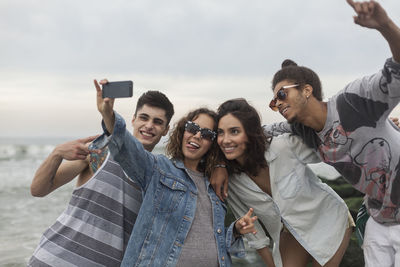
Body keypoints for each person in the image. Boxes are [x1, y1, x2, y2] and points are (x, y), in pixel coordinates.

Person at [265, 1, 400, 266]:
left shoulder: (353, 101)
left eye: (282, 94)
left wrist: (384, 25)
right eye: (273, 101)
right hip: (378, 221)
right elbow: (256, 131)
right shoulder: (305, 133)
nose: (278, 103)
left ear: (306, 90)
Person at [93, 81, 257, 267]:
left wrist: (234, 230)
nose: (197, 136)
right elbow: (126, 147)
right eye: (193, 129)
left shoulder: (214, 184)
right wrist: (108, 114)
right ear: (182, 131)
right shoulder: (158, 169)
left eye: (206, 134)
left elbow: (209, 238)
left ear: (213, 143)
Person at [28, 83, 174, 267]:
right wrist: (56, 153)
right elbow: (38, 189)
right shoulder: (100, 150)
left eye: (157, 122)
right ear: (133, 119)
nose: (149, 126)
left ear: (166, 129)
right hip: (54, 259)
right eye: (144, 118)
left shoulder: (160, 177)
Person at [215, 98, 353, 267]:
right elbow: (252, 231)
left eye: (234, 131)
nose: (225, 140)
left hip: (328, 217)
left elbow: (332, 145)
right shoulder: (231, 179)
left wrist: (376, 130)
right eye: (220, 132)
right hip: (289, 230)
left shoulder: (282, 146)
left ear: (250, 133)